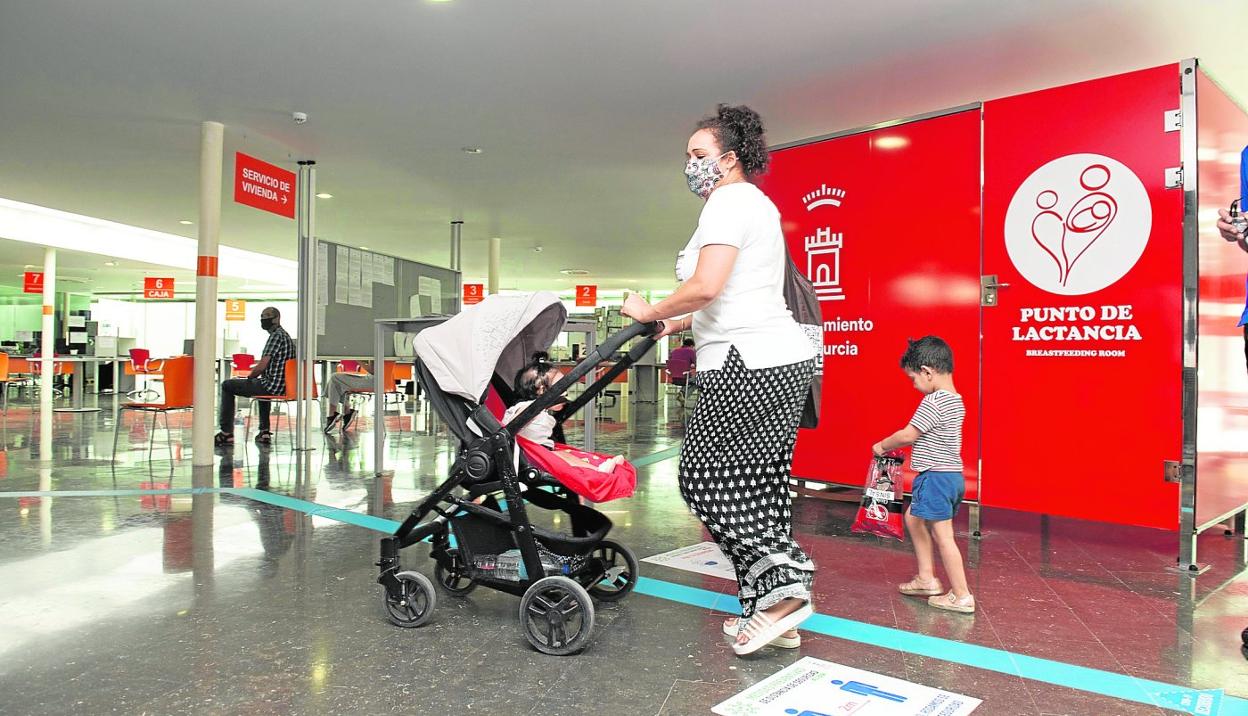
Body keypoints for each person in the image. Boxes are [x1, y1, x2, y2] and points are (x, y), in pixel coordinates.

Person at [621, 104, 818, 656]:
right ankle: (771, 609)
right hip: (775, 358)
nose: (690, 165)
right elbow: (725, 294)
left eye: (699, 155)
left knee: (703, 479)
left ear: (730, 159)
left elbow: (707, 286)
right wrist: (671, 322)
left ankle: (783, 589)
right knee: (758, 487)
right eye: (688, 156)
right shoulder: (753, 204)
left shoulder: (729, 202)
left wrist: (648, 310)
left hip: (745, 360)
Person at [872, 336, 974, 614]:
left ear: (928, 372)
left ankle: (962, 595)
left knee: (944, 535)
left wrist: (882, 445)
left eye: (913, 377)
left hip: (935, 478)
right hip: (951, 477)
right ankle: (926, 579)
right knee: (914, 519)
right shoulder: (956, 400)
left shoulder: (934, 401)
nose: (914, 384)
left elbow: (908, 434)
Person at [505, 354, 625, 474]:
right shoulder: (526, 407)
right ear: (542, 390)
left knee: (566, 456)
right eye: (561, 388)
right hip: (529, 456)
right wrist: (535, 408)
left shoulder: (541, 410)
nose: (565, 392)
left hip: (540, 452)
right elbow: (512, 421)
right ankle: (598, 471)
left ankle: (599, 467)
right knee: (563, 458)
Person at [215, 306, 295, 446]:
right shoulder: (285, 336)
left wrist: (249, 377)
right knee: (262, 388)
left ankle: (226, 433)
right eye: (262, 316)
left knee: (227, 385)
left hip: (273, 386)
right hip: (283, 385)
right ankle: (264, 431)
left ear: (277, 318)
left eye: (268, 316)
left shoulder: (276, 336)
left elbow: (262, 365)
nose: (264, 319)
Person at [323, 361, 372, 433]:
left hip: (373, 381)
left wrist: (359, 359)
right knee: (336, 381)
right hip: (376, 380)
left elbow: (372, 370)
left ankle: (334, 414)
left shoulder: (379, 350)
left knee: (334, 378)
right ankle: (344, 412)